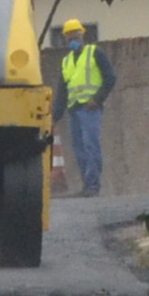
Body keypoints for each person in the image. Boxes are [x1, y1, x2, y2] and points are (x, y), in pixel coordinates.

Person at [52, 18, 114, 197]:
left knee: (90, 145)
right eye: (69, 37)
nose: (72, 40)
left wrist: (98, 99)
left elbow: (110, 77)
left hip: (90, 109)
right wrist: (55, 115)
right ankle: (87, 185)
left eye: (75, 36)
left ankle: (93, 185)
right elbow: (62, 91)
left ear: (82, 35)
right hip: (74, 110)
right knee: (79, 149)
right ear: (65, 39)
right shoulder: (66, 61)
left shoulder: (95, 53)